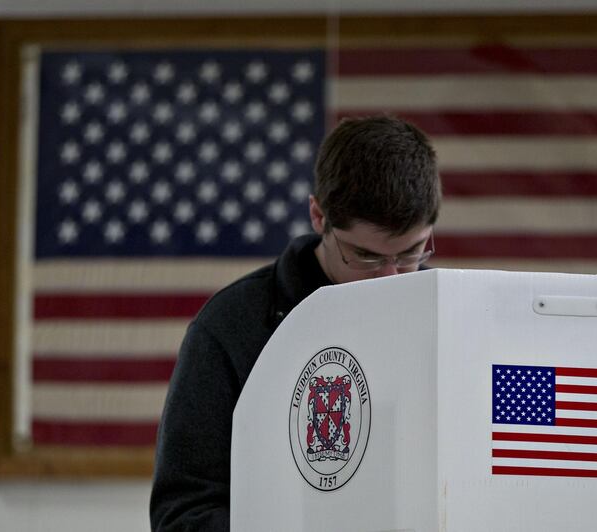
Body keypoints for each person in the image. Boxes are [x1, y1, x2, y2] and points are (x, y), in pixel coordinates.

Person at [149, 115, 441, 531]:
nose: (392, 277)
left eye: (412, 252)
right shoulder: (229, 328)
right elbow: (182, 513)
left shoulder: (448, 315)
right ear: (318, 217)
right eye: (367, 257)